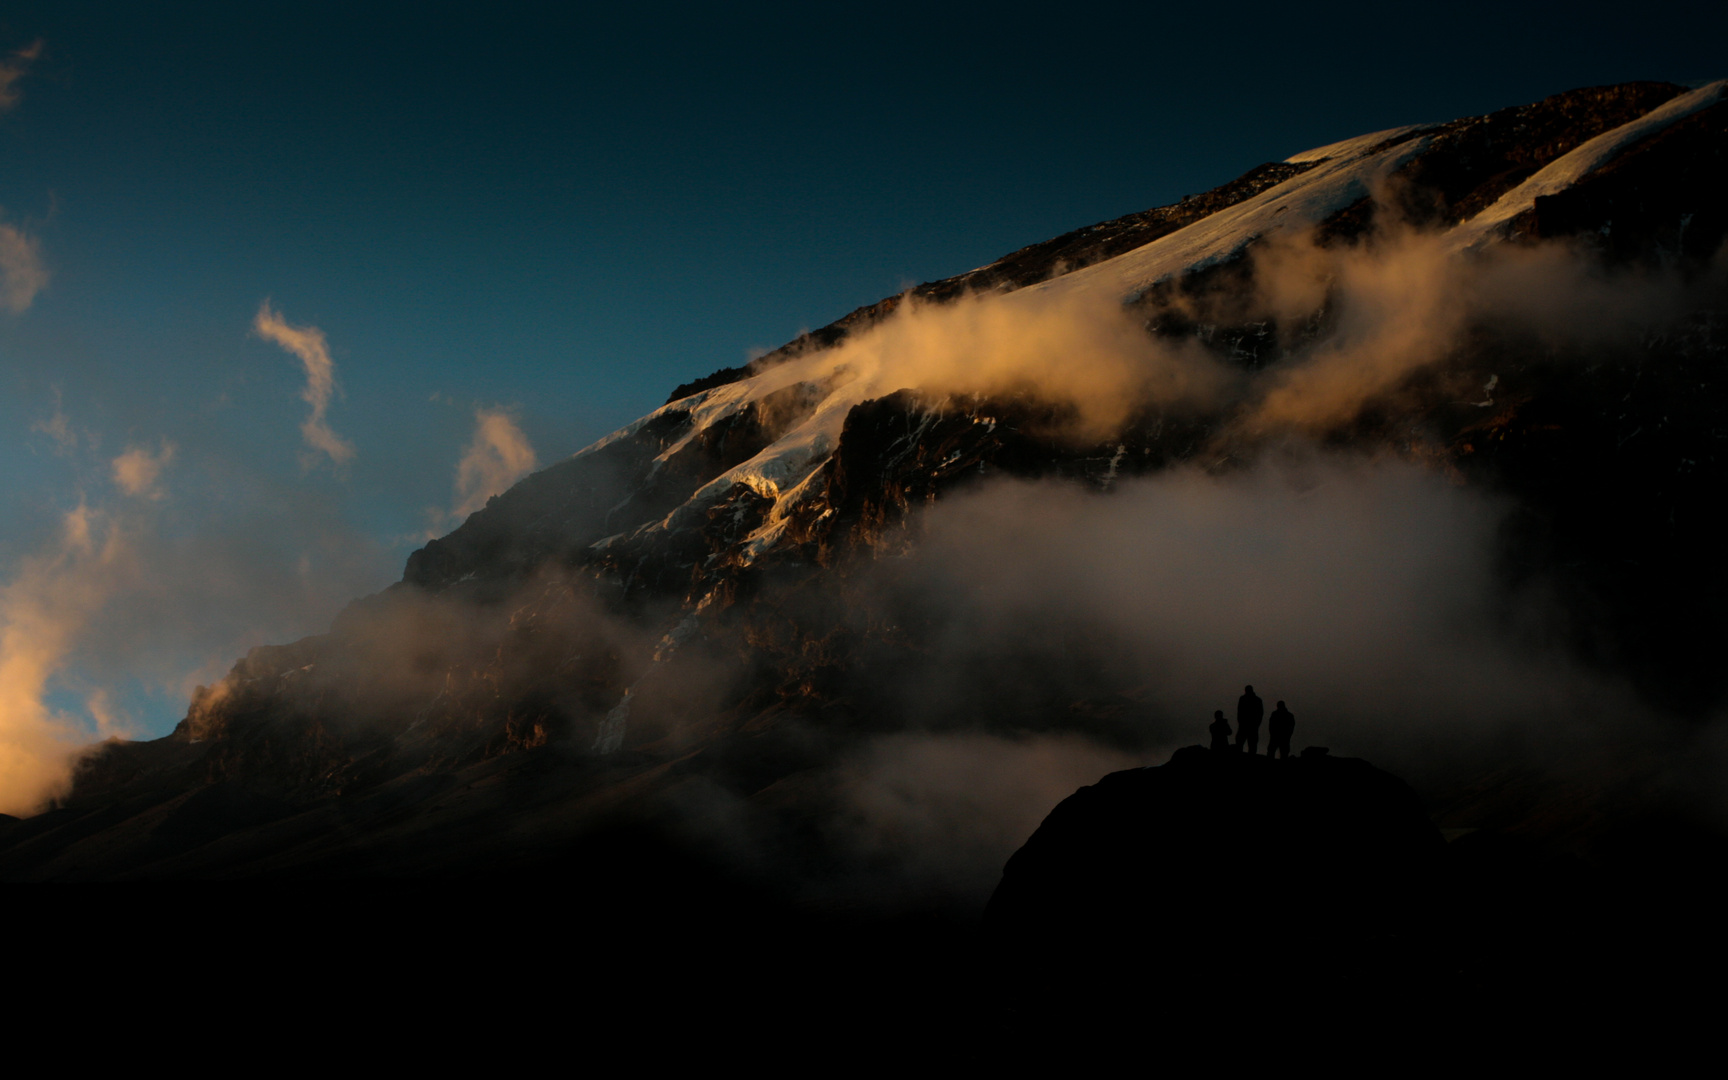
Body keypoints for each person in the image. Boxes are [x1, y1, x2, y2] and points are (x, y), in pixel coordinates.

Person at [1234, 685, 1263, 755]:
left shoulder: (1243, 699)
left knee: (1242, 743)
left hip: (1246, 725)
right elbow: (1260, 713)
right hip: (1251, 725)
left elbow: (1240, 711)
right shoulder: (1257, 700)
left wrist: (1240, 721)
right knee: (1251, 744)